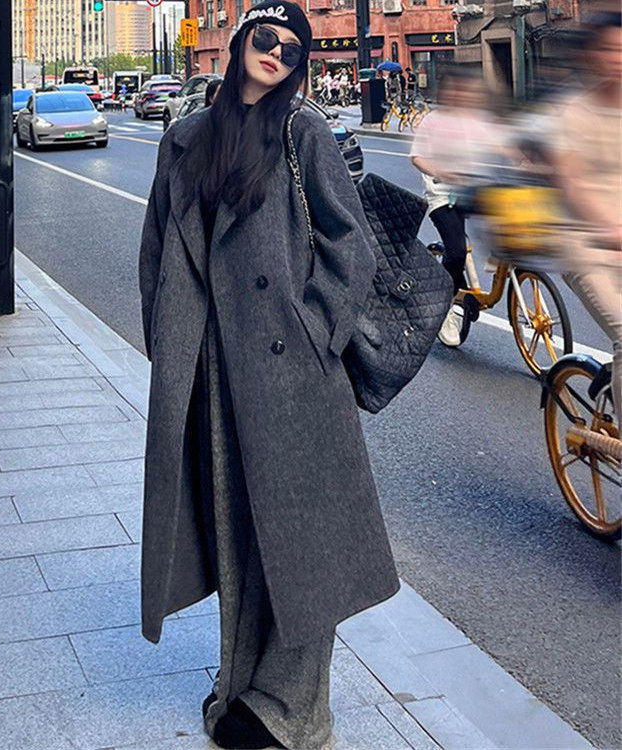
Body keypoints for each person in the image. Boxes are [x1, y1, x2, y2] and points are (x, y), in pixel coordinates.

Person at [138, 1, 400, 748]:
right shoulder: (187, 136)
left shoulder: (303, 132)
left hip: (291, 373)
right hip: (213, 366)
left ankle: (294, 712)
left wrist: (314, 329)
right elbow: (157, 248)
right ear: (238, 41)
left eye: (292, 48)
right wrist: (167, 344)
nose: (276, 54)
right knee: (237, 528)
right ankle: (240, 681)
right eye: (265, 38)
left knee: (301, 543)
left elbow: (352, 246)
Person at [549, 10, 622, 427]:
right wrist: (609, 228)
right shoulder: (573, 113)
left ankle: (611, 380)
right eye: (610, 50)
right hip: (588, 245)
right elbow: (572, 183)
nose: (618, 59)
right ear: (592, 55)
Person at [409, 66, 498, 346]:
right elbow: (417, 157)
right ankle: (444, 311)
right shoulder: (433, 121)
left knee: (508, 211)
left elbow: (502, 145)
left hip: (471, 189)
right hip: (442, 195)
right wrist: (442, 172)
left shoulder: (476, 120)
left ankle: (499, 253)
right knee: (456, 252)